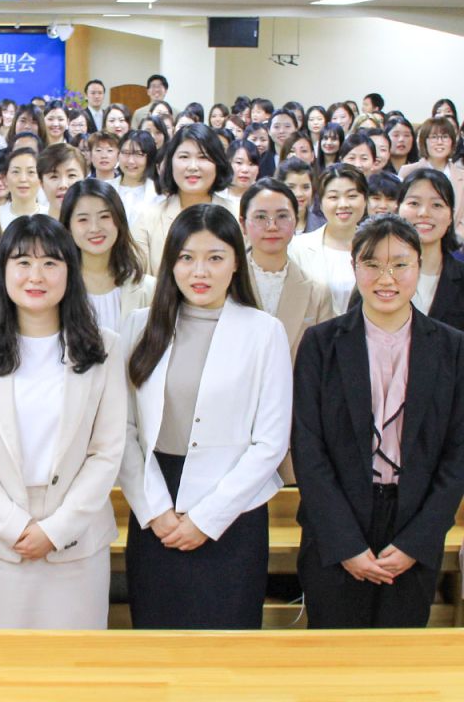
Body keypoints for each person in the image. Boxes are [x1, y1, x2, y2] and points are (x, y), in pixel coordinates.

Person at [0, 215, 125, 629]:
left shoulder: (105, 348)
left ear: (70, 271)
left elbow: (106, 451)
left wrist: (56, 530)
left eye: (51, 263)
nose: (36, 276)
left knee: (70, 677)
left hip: (75, 542)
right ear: (3, 270)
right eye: (22, 262)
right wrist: (14, 526)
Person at [119, 204, 292, 629]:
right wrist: (156, 511)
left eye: (215, 257)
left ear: (236, 262)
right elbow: (122, 431)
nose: (201, 271)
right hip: (155, 502)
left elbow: (269, 442)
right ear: (171, 263)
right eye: (186, 257)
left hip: (234, 511)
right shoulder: (139, 326)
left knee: (226, 649)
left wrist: (206, 518)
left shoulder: (264, 331)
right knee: (157, 642)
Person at [293, 214, 464, 628]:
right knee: (334, 667)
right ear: (354, 267)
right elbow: (308, 447)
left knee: (398, 667)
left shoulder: (451, 347)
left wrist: (416, 542)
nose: (386, 277)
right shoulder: (321, 343)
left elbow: (457, 454)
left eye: (400, 264)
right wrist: (345, 544)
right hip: (337, 524)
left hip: (413, 521)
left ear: (419, 267)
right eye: (372, 264)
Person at [240, 178, 333, 360]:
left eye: (282, 216)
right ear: (243, 224)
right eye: (260, 217)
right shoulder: (226, 283)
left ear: (296, 221)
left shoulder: (318, 293)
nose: (272, 226)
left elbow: (325, 358)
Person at [131, 123, 239, 274]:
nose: (193, 166)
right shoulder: (148, 219)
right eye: (184, 157)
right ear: (170, 163)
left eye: (203, 157)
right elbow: (140, 284)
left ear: (218, 164)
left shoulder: (236, 215)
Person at [60, 178, 154, 333]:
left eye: (104, 216)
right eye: (83, 219)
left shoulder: (148, 289)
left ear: (119, 221)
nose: (95, 228)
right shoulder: (57, 287)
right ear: (68, 227)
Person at [289, 165, 369, 315]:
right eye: (333, 197)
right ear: (320, 202)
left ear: (365, 200)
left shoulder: (378, 248)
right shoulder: (298, 248)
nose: (343, 204)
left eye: (352, 196)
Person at [395, 169, 464, 329]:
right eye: (414, 203)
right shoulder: (378, 272)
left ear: (450, 216)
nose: (424, 213)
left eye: (437, 205)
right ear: (398, 208)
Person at [111, 130, 163, 224]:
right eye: (126, 153)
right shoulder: (106, 188)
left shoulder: (159, 195)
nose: (131, 161)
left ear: (150, 157)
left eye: (139, 154)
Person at [36, 142, 87, 221]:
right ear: (41, 184)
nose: (63, 185)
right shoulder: (34, 230)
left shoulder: (96, 228)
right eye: (54, 176)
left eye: (71, 175)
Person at [276, 157, 326, 233]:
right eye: (291, 187)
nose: (299, 194)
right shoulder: (269, 225)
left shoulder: (323, 226)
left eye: (305, 187)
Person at [0, 147, 41, 229]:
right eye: (16, 172)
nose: (23, 179)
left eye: (31, 172)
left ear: (41, 179)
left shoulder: (51, 215)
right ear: (5, 178)